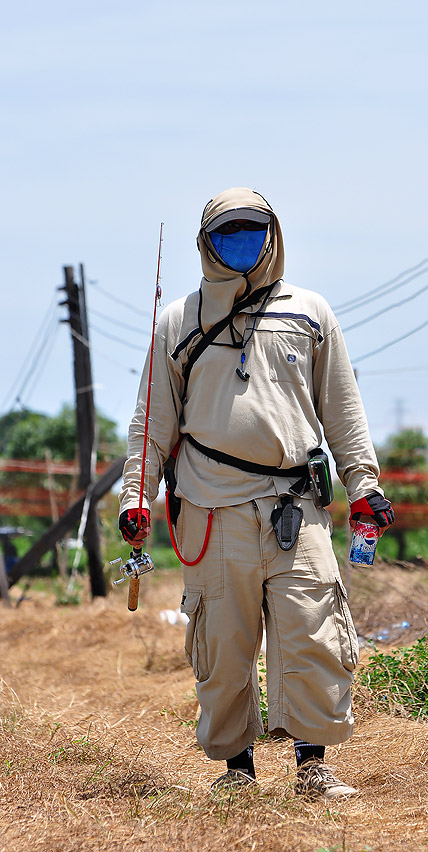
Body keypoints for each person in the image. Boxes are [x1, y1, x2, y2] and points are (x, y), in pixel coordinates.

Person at [118, 187, 394, 799]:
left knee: (312, 634)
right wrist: (134, 498)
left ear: (273, 235)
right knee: (223, 643)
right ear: (204, 242)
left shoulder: (310, 312)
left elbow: (343, 410)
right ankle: (237, 773)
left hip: (298, 506)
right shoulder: (178, 321)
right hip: (211, 510)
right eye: (226, 230)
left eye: (252, 227)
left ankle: (313, 767)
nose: (240, 239)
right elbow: (151, 424)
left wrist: (365, 486)